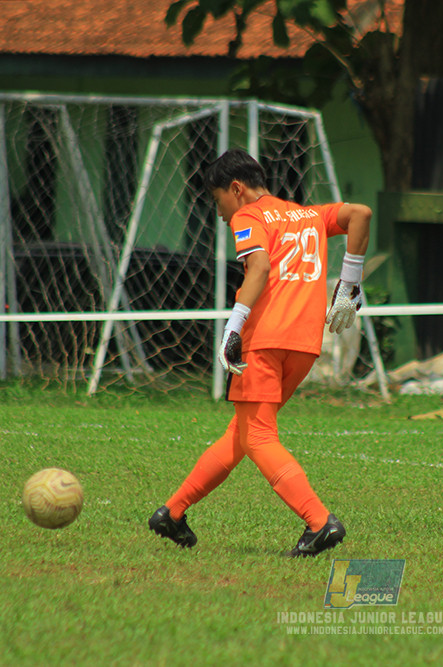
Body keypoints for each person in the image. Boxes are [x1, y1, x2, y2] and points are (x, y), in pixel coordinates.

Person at [148, 149, 371, 557]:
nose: (220, 213)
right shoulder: (307, 215)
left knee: (258, 435)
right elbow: (361, 213)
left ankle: (320, 522)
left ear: (236, 189)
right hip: (303, 345)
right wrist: (349, 283)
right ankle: (172, 513)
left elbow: (260, 267)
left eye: (218, 201)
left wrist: (233, 327)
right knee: (244, 432)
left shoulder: (247, 216)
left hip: (264, 341)